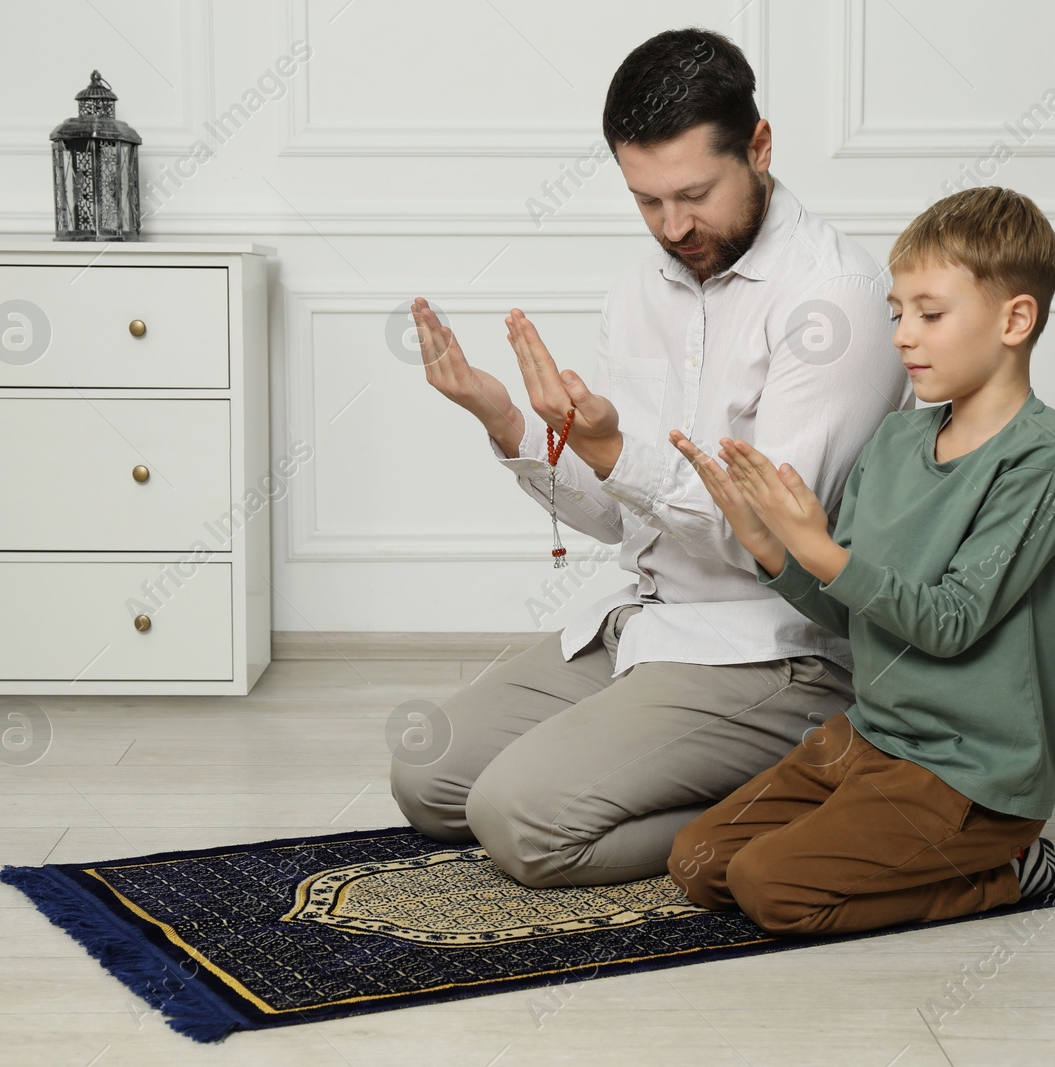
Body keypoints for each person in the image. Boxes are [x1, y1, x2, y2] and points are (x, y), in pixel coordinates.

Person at [389, 27, 913, 888]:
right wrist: (510, 425)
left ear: (761, 147)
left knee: (520, 823)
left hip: (780, 652)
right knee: (431, 780)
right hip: (651, 620)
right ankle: (681, 770)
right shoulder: (640, 291)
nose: (674, 227)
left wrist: (613, 446)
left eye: (695, 194)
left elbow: (768, 546)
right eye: (647, 201)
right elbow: (617, 513)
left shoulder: (837, 302)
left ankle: (810, 789)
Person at [666, 185, 1055, 935]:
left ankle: (1008, 871)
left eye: (929, 313)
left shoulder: (1043, 464)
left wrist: (821, 548)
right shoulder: (897, 440)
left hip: (970, 776)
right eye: (897, 312)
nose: (902, 334)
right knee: (700, 863)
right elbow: (852, 606)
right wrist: (770, 543)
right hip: (871, 736)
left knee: (772, 890)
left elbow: (952, 623)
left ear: (1015, 319)